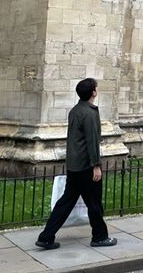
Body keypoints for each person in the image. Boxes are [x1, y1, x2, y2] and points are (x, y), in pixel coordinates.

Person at [35, 77, 117, 249]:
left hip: (74, 165)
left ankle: (46, 236)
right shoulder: (90, 112)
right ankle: (100, 237)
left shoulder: (75, 110)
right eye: (96, 88)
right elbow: (91, 140)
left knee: (66, 202)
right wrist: (96, 165)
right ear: (93, 92)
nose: (97, 90)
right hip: (87, 166)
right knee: (94, 203)